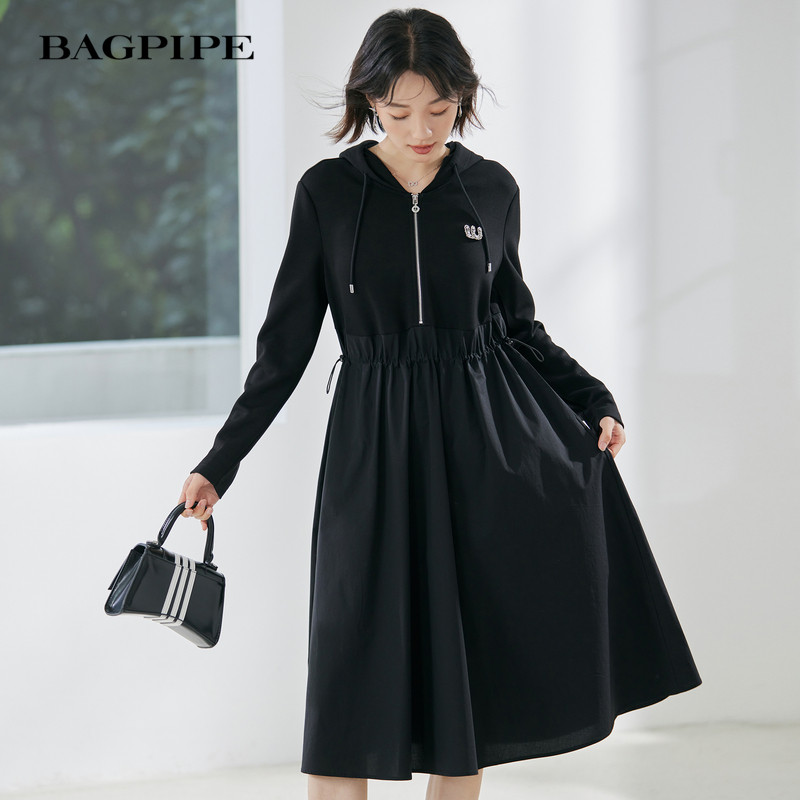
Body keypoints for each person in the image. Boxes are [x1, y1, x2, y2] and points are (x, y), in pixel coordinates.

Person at [179, 8, 702, 800]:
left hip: (480, 443)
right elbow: (284, 349)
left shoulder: (491, 188)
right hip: (371, 444)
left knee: (469, 663)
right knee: (350, 664)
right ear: (369, 102)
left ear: (464, 97)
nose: (421, 130)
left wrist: (592, 398)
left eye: (439, 108)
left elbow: (516, 325)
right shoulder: (327, 192)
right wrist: (222, 462)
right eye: (398, 112)